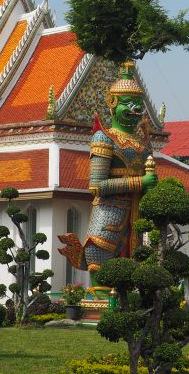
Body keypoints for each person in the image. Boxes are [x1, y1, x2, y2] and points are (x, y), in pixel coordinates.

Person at [58, 62, 159, 279]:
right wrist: (139, 183)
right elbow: (96, 185)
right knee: (99, 261)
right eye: (128, 103)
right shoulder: (104, 138)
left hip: (137, 215)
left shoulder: (142, 144)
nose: (136, 110)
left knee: (138, 267)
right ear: (112, 103)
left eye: (138, 104)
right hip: (109, 213)